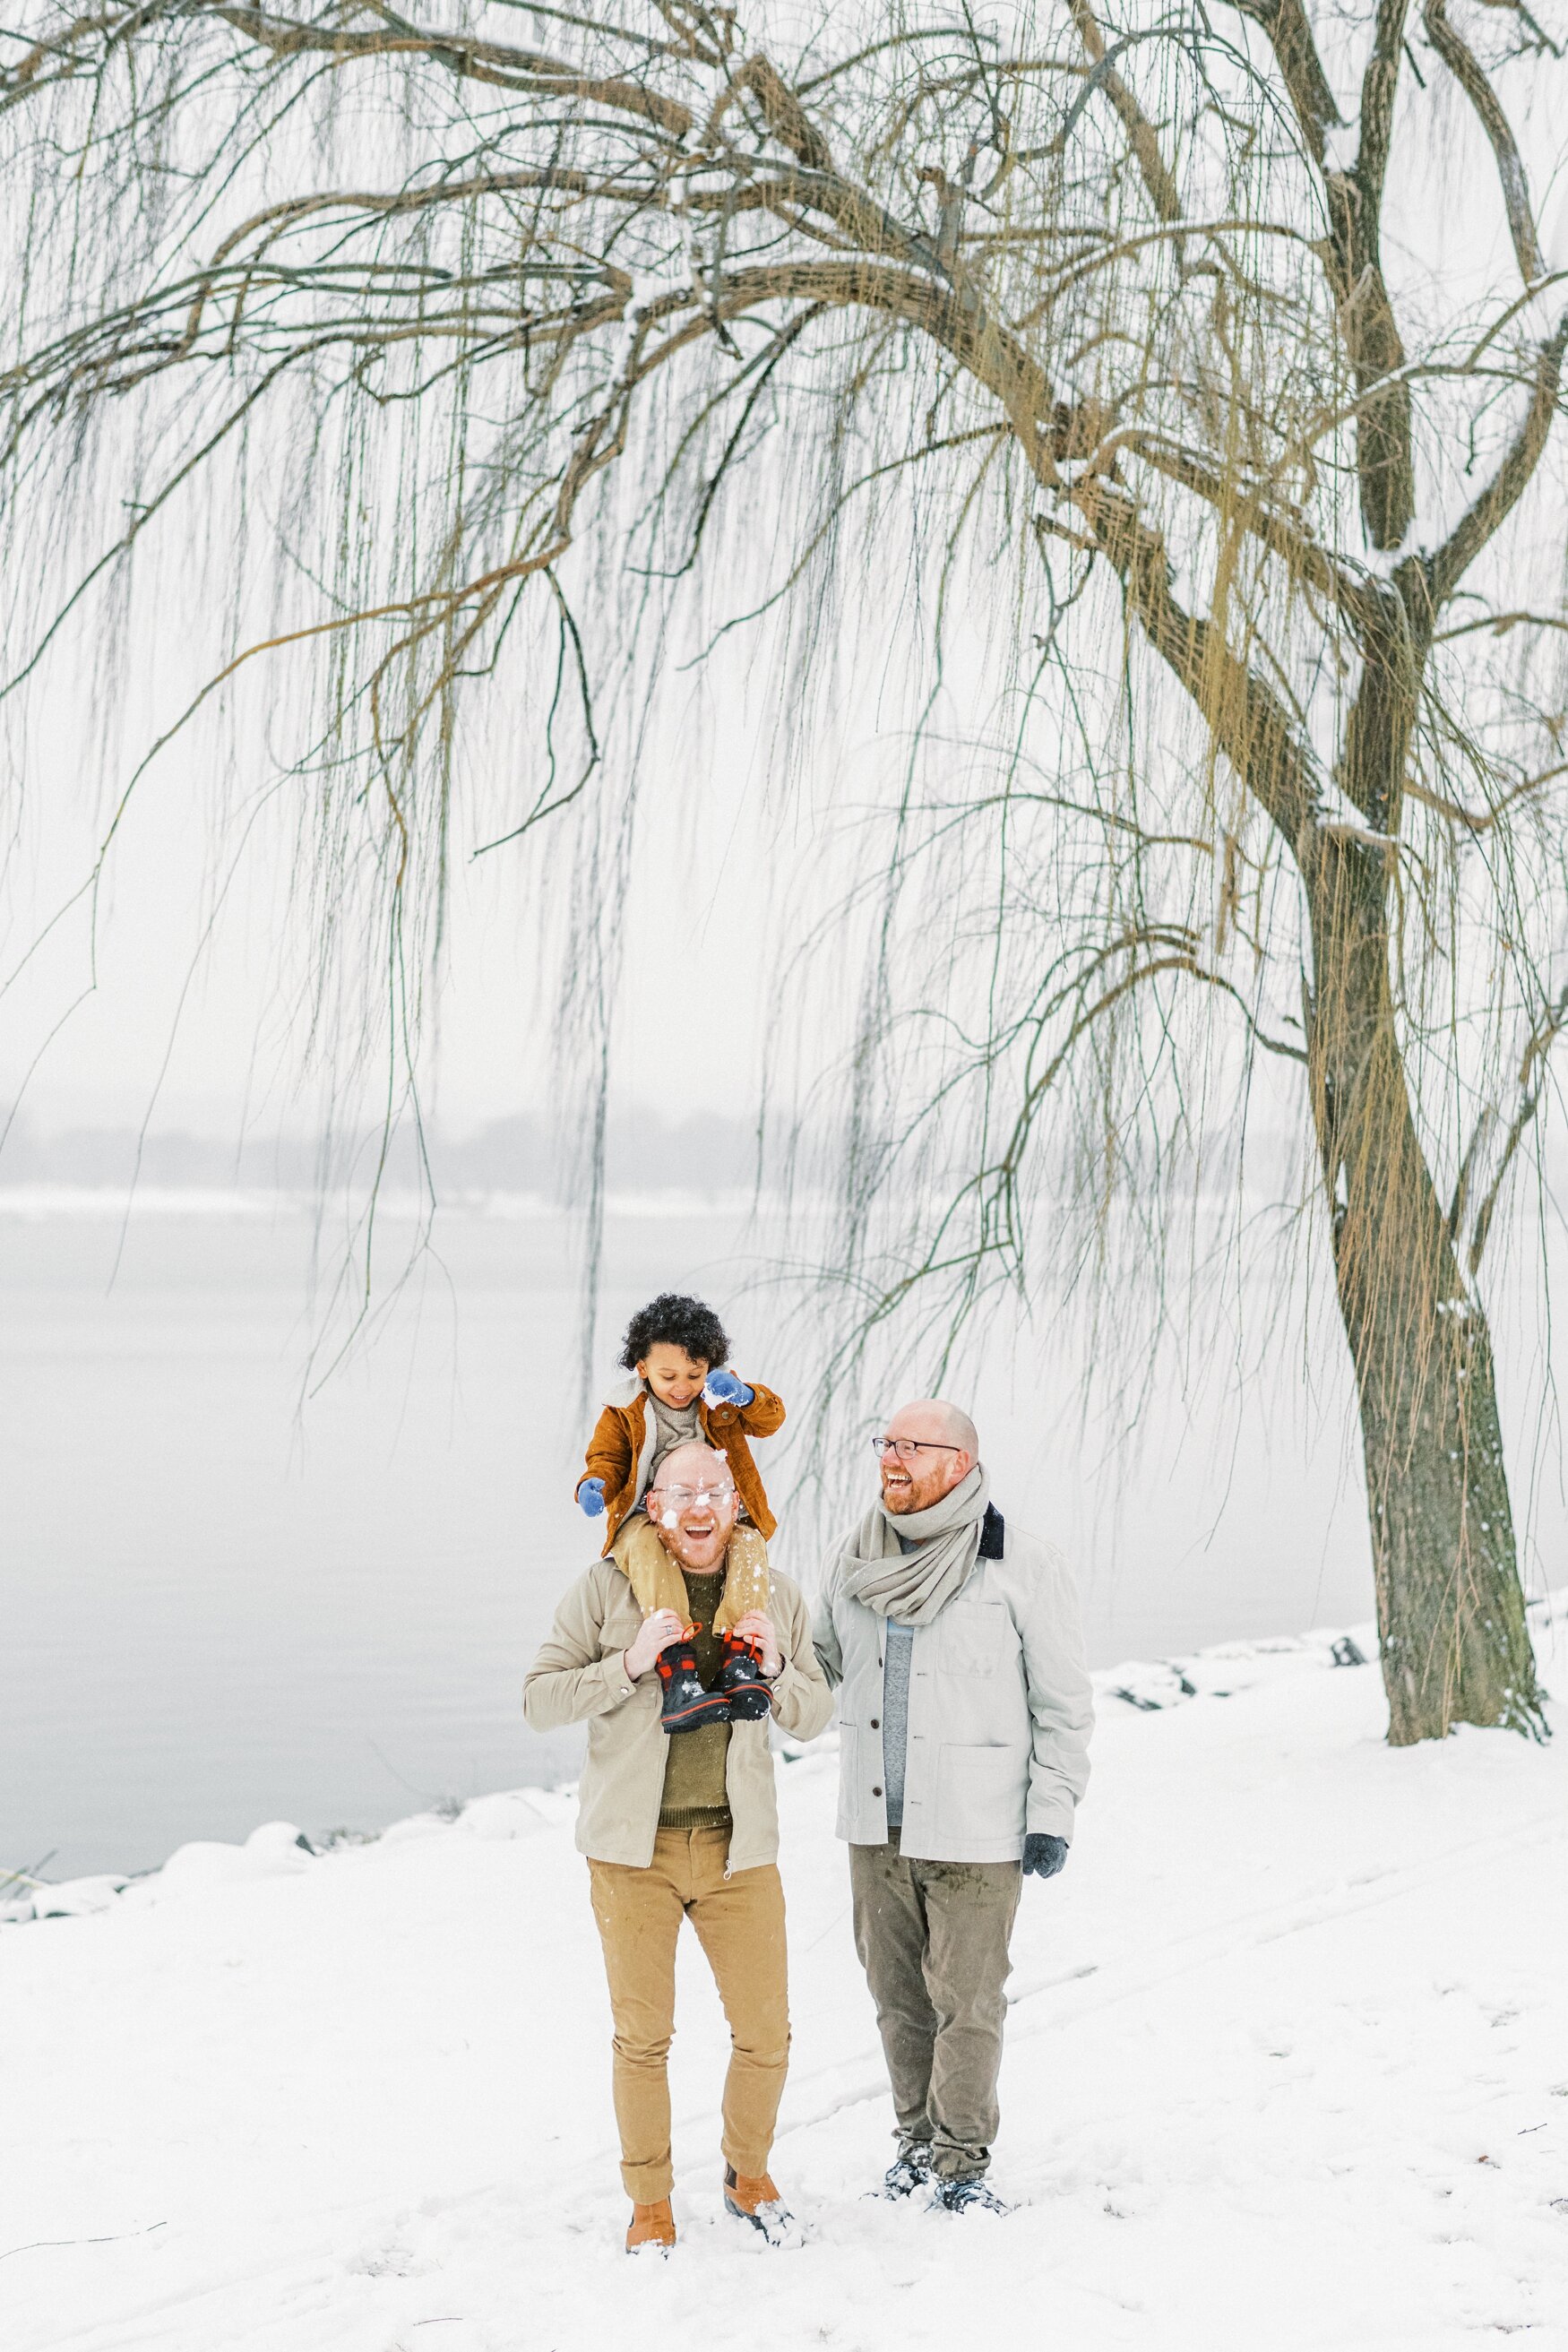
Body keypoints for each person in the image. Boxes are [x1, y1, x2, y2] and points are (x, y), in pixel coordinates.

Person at [525, 1441, 832, 2253]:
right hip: (634, 1854)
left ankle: (748, 2173)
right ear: (654, 1507)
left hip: (740, 1852)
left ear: (737, 1502)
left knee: (767, 2032)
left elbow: (813, 1711)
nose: (700, 1507)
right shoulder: (604, 1588)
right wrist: (626, 1663)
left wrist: (776, 1666)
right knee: (643, 2038)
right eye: (681, 1492)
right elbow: (538, 1700)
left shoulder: (776, 1595)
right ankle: (650, 2202)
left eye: (715, 1491)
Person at [814, 1399, 1093, 2213]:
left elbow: (1064, 1704)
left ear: (960, 1463)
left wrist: (1052, 1813)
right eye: (885, 1442)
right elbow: (823, 1662)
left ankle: (962, 2164)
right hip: (876, 1822)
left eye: (911, 1445)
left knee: (967, 2004)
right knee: (896, 1997)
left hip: (977, 1826)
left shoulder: (1021, 1563)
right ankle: (913, 2143)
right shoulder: (854, 1556)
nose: (891, 1458)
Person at [574, 1292, 786, 1731]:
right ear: (642, 1368)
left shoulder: (718, 1399)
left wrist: (745, 1396)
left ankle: (740, 1658)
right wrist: (596, 1485)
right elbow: (607, 1458)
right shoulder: (624, 1411)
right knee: (647, 1547)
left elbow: (771, 1420)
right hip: (648, 1515)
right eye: (668, 1375)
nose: (682, 1386)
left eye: (695, 1373)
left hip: (712, 1510)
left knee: (749, 1543)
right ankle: (678, 1667)